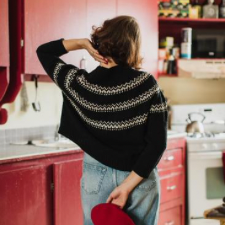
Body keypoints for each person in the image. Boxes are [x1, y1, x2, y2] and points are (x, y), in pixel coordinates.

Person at [36, 15, 168, 225]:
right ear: (132, 46)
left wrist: (82, 44)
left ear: (100, 42)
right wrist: (126, 187)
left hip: (95, 175)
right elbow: (158, 143)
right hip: (139, 176)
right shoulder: (146, 85)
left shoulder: (78, 84)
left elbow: (44, 51)